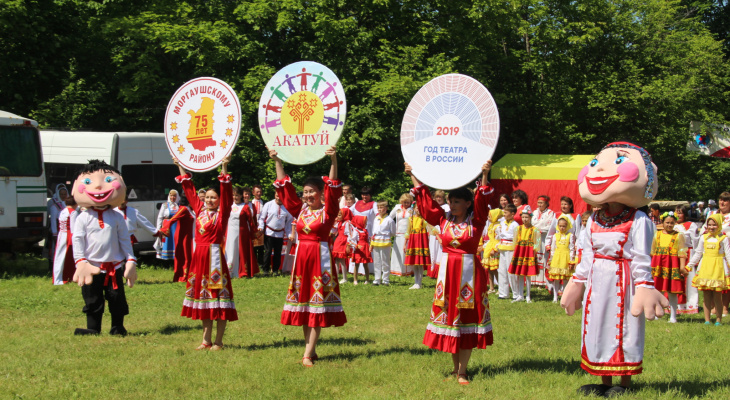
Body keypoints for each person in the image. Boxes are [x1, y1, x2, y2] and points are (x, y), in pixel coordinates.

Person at [561, 142, 668, 397]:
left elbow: (642, 256)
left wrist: (644, 286)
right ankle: (604, 380)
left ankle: (625, 381)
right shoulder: (595, 219)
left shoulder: (638, 220)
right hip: (598, 279)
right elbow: (587, 253)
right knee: (597, 325)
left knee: (625, 327)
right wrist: (577, 282)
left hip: (625, 279)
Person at [405, 160, 493, 385]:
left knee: (465, 322)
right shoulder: (443, 221)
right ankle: (456, 369)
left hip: (469, 278)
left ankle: (463, 371)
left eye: (457, 201)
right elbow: (426, 206)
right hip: (447, 277)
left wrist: (484, 174)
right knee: (452, 323)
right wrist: (413, 175)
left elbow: (482, 200)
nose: (452, 205)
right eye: (451, 201)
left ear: (467, 203)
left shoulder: (477, 221)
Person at [269, 146, 346, 367]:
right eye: (305, 192)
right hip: (302, 261)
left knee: (317, 306)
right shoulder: (300, 210)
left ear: (321, 193)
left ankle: (307, 352)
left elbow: (333, 186)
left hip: (320, 262)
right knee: (305, 307)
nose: (308, 195)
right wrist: (278, 161)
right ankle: (310, 350)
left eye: (312, 191)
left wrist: (333, 160)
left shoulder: (328, 211)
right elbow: (285, 189)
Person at [172, 156, 237, 350]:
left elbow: (226, 192)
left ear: (219, 200)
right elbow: (189, 188)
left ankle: (218, 341)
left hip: (215, 260)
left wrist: (224, 167)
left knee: (219, 301)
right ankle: (205, 340)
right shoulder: (199, 209)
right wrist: (180, 165)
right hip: (199, 260)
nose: (209, 200)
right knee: (204, 301)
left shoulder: (223, 213)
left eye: (213, 197)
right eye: (207, 197)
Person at [71, 160, 137, 336]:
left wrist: (130, 260)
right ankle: (93, 328)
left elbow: (124, 240)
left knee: (117, 298)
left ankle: (118, 327)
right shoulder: (83, 218)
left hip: (113, 266)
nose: (99, 187)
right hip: (91, 267)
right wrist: (80, 261)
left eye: (107, 180)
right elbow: (77, 240)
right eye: (89, 182)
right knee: (92, 299)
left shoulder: (116, 217)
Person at [687, 213, 730, 325]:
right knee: (706, 295)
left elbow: (728, 255)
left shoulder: (723, 238)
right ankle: (707, 320)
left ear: (719, 225)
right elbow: (698, 253)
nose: (711, 227)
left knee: (717, 295)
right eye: (709, 225)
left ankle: (718, 319)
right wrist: (689, 265)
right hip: (706, 267)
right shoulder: (703, 237)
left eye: (714, 225)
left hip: (718, 268)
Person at [650, 211, 688, 323]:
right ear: (662, 222)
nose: (669, 225)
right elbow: (652, 251)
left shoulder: (678, 236)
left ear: (675, 223)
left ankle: (673, 316)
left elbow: (682, 252)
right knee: (657, 290)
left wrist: (682, 267)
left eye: (672, 223)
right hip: (658, 265)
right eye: (667, 222)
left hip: (672, 265)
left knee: (672, 291)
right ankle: (657, 313)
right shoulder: (657, 234)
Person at [507, 206, 540, 303]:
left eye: (527, 217)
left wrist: (534, 252)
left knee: (528, 275)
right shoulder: (518, 229)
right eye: (523, 217)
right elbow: (515, 241)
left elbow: (537, 243)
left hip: (528, 251)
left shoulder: (534, 230)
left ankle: (528, 295)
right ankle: (520, 295)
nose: (525, 219)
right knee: (520, 274)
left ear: (530, 218)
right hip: (520, 251)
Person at [225, 186, 258, 278]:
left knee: (242, 252)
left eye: (237, 195)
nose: (235, 197)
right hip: (230, 233)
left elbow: (251, 222)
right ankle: (229, 269)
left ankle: (243, 271)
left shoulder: (245, 207)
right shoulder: (229, 205)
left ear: (241, 196)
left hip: (242, 234)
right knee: (230, 250)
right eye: (233, 195)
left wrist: (253, 234)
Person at [259, 192, 294, 275]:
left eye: (280, 196)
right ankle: (266, 270)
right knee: (268, 251)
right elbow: (261, 217)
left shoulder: (287, 207)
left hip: (280, 233)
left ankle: (275, 270)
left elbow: (289, 222)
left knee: (278, 252)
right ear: (274, 195)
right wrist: (260, 226)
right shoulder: (268, 204)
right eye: (277, 196)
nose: (278, 198)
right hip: (269, 232)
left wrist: (289, 234)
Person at [674, 205, 699, 315]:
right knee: (675, 280)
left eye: (680, 213)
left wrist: (695, 257)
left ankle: (690, 305)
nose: (678, 215)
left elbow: (695, 241)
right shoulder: (671, 224)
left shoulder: (690, 225)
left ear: (685, 214)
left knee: (688, 280)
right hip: (674, 255)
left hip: (688, 253)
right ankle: (675, 305)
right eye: (676, 212)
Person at [162, 202, 195, 282]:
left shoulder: (191, 210)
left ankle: (190, 275)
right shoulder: (184, 209)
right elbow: (173, 219)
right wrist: (164, 229)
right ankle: (183, 276)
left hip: (190, 236)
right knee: (185, 255)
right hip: (183, 236)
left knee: (189, 255)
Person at [547, 215, 575, 303]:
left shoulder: (570, 236)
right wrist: (551, 260)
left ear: (567, 226)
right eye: (560, 226)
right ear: (557, 226)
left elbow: (572, 248)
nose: (562, 228)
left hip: (565, 257)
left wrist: (571, 260)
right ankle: (555, 297)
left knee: (566, 279)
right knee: (556, 279)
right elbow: (552, 248)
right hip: (557, 257)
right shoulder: (555, 236)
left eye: (564, 226)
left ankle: (565, 296)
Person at [53, 194, 78, 285]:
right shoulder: (73, 212)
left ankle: (58, 277)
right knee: (67, 257)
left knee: (59, 256)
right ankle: (66, 276)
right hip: (68, 236)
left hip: (61, 235)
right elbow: (73, 228)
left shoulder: (63, 211)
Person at [495, 204, 519, 300]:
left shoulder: (515, 224)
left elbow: (514, 237)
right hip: (503, 248)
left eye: (506, 212)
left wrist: (503, 234)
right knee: (502, 271)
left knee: (511, 271)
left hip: (511, 249)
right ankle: (503, 293)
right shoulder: (502, 223)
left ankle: (516, 293)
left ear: (512, 214)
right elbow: (499, 235)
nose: (504, 214)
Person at [404, 205, 430, 289]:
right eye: (417, 208)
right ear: (414, 209)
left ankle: (419, 282)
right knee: (415, 262)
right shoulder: (410, 219)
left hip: (421, 241)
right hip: (413, 241)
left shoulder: (424, 219)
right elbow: (408, 231)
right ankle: (416, 282)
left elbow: (430, 228)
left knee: (420, 262)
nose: (418, 210)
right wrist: (405, 243)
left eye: (420, 208)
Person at [370, 200, 396, 286]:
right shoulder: (376, 219)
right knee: (377, 261)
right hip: (376, 241)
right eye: (378, 208)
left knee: (385, 261)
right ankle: (377, 279)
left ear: (386, 208)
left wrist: (386, 236)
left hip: (385, 241)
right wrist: (371, 243)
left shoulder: (389, 220)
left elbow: (393, 232)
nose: (380, 209)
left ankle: (385, 279)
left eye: (381, 207)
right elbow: (374, 232)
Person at [532, 195, 555, 287]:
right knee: (535, 258)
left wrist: (538, 228)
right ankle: (534, 281)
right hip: (534, 238)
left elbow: (550, 226)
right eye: (538, 203)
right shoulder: (534, 212)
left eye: (542, 203)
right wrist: (537, 227)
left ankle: (543, 281)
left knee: (544, 258)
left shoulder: (550, 213)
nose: (540, 205)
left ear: (546, 204)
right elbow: (532, 223)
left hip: (544, 238)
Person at [389, 193, 413, 277]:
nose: (406, 204)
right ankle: (396, 270)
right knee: (398, 252)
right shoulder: (397, 207)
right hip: (398, 233)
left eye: (408, 202)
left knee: (406, 252)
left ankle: (408, 271)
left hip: (408, 233)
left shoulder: (412, 209)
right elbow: (390, 218)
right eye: (404, 202)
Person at [47, 184, 68, 271]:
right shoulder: (54, 205)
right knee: (54, 248)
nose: (63, 196)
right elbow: (53, 220)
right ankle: (52, 267)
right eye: (61, 194)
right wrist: (54, 233)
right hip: (58, 230)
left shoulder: (68, 204)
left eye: (64, 194)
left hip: (66, 229)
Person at [481, 208, 502, 294]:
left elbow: (500, 239)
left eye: (490, 216)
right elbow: (489, 238)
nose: (488, 218)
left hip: (494, 248)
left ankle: (501, 287)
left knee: (495, 269)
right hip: (489, 247)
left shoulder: (498, 227)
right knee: (489, 269)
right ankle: (491, 287)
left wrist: (495, 249)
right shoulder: (491, 226)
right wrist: (485, 246)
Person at [155, 190, 180, 260]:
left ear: (177, 196)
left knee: (176, 241)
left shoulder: (180, 205)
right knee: (167, 242)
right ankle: (167, 259)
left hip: (177, 227)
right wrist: (158, 228)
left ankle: (176, 259)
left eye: (174, 196)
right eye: (171, 196)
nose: (172, 197)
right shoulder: (165, 205)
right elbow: (160, 217)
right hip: (167, 228)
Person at [349, 215, 373, 285]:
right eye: (364, 223)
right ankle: (355, 279)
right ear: (360, 222)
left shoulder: (366, 230)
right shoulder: (356, 231)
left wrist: (370, 241)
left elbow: (368, 240)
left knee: (366, 264)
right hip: (359, 249)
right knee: (357, 264)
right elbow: (351, 240)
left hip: (365, 248)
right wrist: (356, 246)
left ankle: (367, 279)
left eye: (366, 223)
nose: (366, 224)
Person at [332, 208, 353, 284]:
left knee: (342, 260)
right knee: (336, 260)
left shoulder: (347, 223)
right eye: (338, 215)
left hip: (343, 241)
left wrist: (348, 244)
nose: (338, 216)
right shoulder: (339, 223)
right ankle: (336, 276)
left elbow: (349, 234)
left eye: (340, 215)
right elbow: (333, 230)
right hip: (338, 241)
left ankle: (345, 278)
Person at [252, 185, 265, 266]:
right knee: (253, 247)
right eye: (257, 192)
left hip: (261, 227)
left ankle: (260, 263)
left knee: (261, 246)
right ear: (253, 193)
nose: (259, 193)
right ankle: (254, 263)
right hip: (253, 227)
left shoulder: (265, 203)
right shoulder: (250, 203)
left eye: (260, 192)